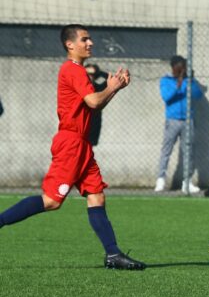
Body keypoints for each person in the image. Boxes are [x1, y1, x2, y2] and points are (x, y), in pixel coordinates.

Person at [0, 24, 145, 270]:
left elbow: (93, 105)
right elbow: (93, 100)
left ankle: (113, 254)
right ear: (70, 45)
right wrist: (111, 88)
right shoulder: (73, 70)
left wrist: (113, 89)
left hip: (82, 144)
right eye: (84, 39)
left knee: (97, 195)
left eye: (90, 39)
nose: (90, 43)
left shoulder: (78, 71)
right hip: (71, 143)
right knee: (51, 201)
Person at [154, 55, 203, 194]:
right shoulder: (166, 80)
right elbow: (167, 97)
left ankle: (186, 182)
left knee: (188, 152)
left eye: (184, 68)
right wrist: (179, 84)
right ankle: (161, 180)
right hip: (173, 120)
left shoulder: (189, 81)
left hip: (188, 120)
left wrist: (191, 81)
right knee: (166, 150)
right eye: (180, 68)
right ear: (174, 67)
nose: (182, 70)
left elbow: (198, 95)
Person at [85, 64, 108, 146]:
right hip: (82, 120)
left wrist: (97, 72)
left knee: (90, 145)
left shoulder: (98, 86)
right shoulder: (80, 86)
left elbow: (108, 77)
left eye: (92, 75)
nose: (90, 77)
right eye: (88, 74)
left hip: (94, 119)